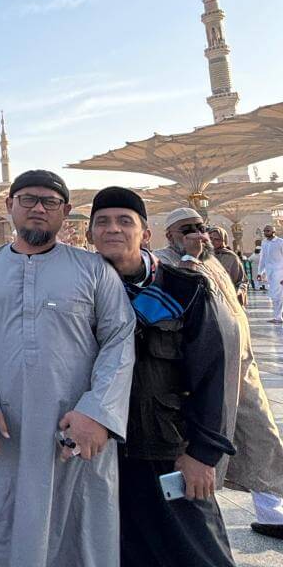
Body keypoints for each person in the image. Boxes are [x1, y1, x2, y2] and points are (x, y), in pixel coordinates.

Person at [0, 170, 136, 567]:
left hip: (75, 429)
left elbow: (119, 342)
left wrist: (97, 412)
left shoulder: (93, 270)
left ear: (65, 212)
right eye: (28, 199)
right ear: (10, 206)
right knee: (3, 521)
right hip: (4, 430)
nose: (38, 208)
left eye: (49, 202)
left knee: (78, 528)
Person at [88, 188, 236, 566]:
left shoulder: (183, 289)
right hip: (104, 456)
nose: (113, 229)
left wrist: (203, 455)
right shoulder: (80, 292)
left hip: (169, 452)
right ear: (90, 233)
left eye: (125, 221)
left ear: (145, 233)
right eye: (102, 221)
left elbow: (213, 373)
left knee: (195, 552)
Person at [157, 209, 283, 541]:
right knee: (204, 456)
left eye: (202, 227)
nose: (199, 234)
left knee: (262, 440)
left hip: (241, 372)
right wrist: (188, 259)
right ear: (170, 235)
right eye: (188, 229)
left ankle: (273, 513)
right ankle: (197, 532)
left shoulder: (215, 261)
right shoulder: (165, 263)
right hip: (203, 381)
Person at [210, 226, 247, 307]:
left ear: (223, 241)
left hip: (227, 299)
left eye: (216, 239)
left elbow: (242, 281)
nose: (212, 241)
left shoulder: (231, 257)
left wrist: (238, 292)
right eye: (210, 238)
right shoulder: (202, 255)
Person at [257, 224, 283, 323]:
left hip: (279, 272)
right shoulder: (264, 243)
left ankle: (278, 317)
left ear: (273, 231)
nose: (265, 232)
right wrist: (260, 272)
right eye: (264, 231)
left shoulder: (280, 242)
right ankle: (277, 316)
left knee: (278, 295)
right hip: (269, 273)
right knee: (273, 295)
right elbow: (263, 259)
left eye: (267, 230)